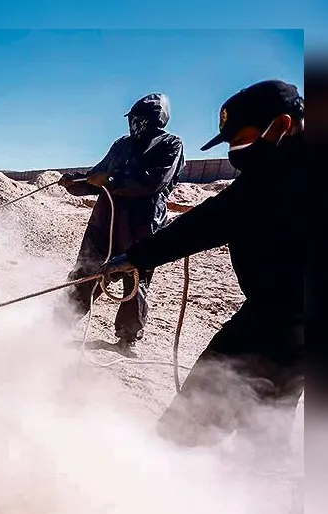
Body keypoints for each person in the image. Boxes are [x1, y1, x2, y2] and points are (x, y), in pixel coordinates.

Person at [99, 80, 304, 459]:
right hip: (280, 318)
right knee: (267, 425)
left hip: (281, 319)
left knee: (188, 429)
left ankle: (169, 480)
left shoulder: (287, 179)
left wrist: (137, 256)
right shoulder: (275, 173)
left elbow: (215, 219)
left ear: (281, 126)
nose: (234, 150)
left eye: (239, 137)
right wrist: (138, 257)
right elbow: (213, 219)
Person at [57, 93, 186, 354]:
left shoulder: (171, 144)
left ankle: (127, 338)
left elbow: (152, 182)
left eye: (141, 119)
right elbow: (98, 175)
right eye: (134, 119)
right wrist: (76, 184)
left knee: (135, 281)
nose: (135, 124)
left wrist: (111, 181)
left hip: (141, 228)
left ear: (155, 120)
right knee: (86, 272)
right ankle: (58, 324)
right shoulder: (121, 145)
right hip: (104, 224)